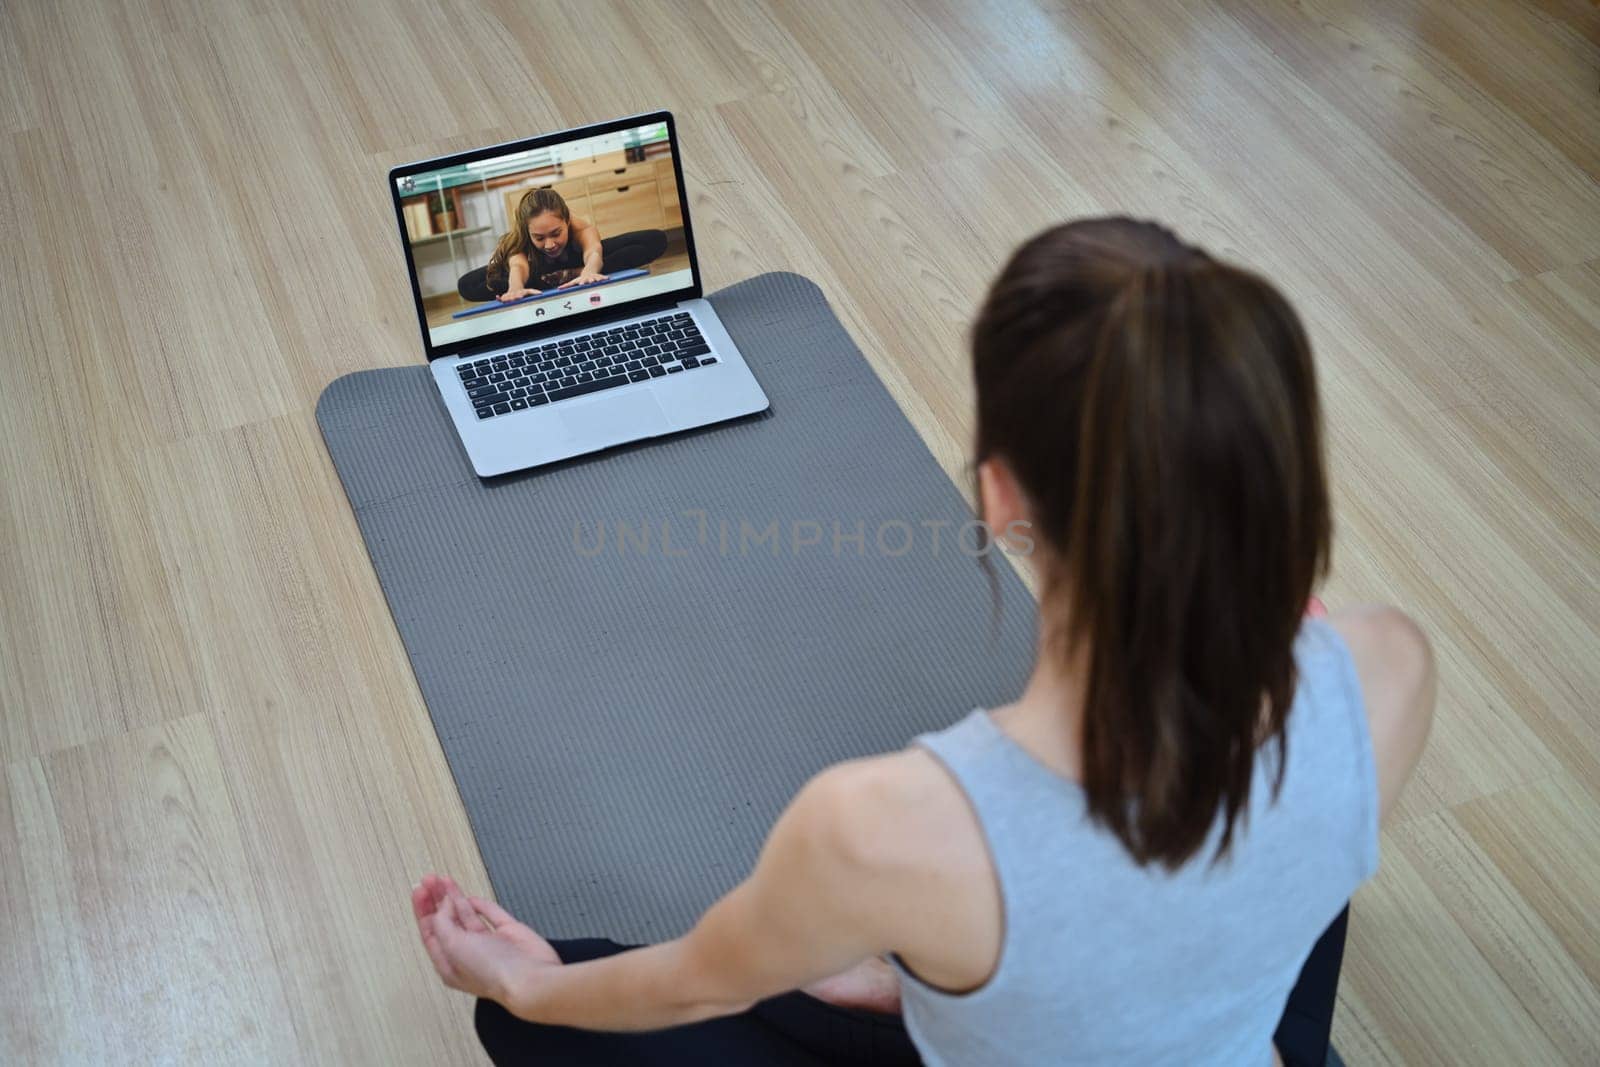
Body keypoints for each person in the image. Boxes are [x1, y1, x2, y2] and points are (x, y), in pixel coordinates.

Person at [412, 217, 1437, 1065]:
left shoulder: (888, 825)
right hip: (1239, 1035)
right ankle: (919, 975)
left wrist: (522, 978)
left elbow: (684, 989)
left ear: (998, 495)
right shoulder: (1388, 666)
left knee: (531, 1006)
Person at [457, 186, 668, 303]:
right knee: (468, 285)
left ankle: (570, 275)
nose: (550, 244)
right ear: (528, 232)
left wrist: (589, 271)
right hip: (535, 272)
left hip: (580, 262)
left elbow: (594, 250)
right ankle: (556, 278)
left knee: (655, 239)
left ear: (566, 220)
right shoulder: (520, 239)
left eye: (556, 233)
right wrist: (516, 289)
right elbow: (518, 267)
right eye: (539, 238)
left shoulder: (579, 226)